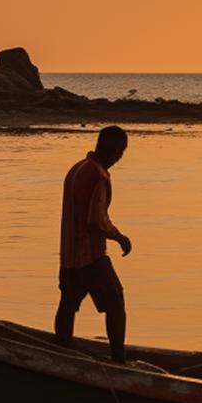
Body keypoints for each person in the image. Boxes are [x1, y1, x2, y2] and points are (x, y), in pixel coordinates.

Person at [55, 125, 132, 363]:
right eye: (120, 151)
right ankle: (119, 360)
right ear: (112, 149)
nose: (120, 157)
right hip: (90, 256)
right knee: (116, 302)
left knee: (68, 302)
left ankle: (61, 351)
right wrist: (120, 237)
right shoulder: (98, 175)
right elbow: (96, 220)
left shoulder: (76, 169)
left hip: (69, 255)